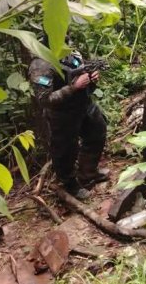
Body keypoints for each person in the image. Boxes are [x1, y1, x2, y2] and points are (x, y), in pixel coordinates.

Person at [29, 49, 109, 199]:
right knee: (65, 151)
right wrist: (73, 87)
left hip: (84, 105)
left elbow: (81, 72)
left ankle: (88, 172)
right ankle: (69, 185)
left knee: (98, 132)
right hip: (62, 115)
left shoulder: (71, 52)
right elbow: (45, 100)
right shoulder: (40, 65)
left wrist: (91, 79)